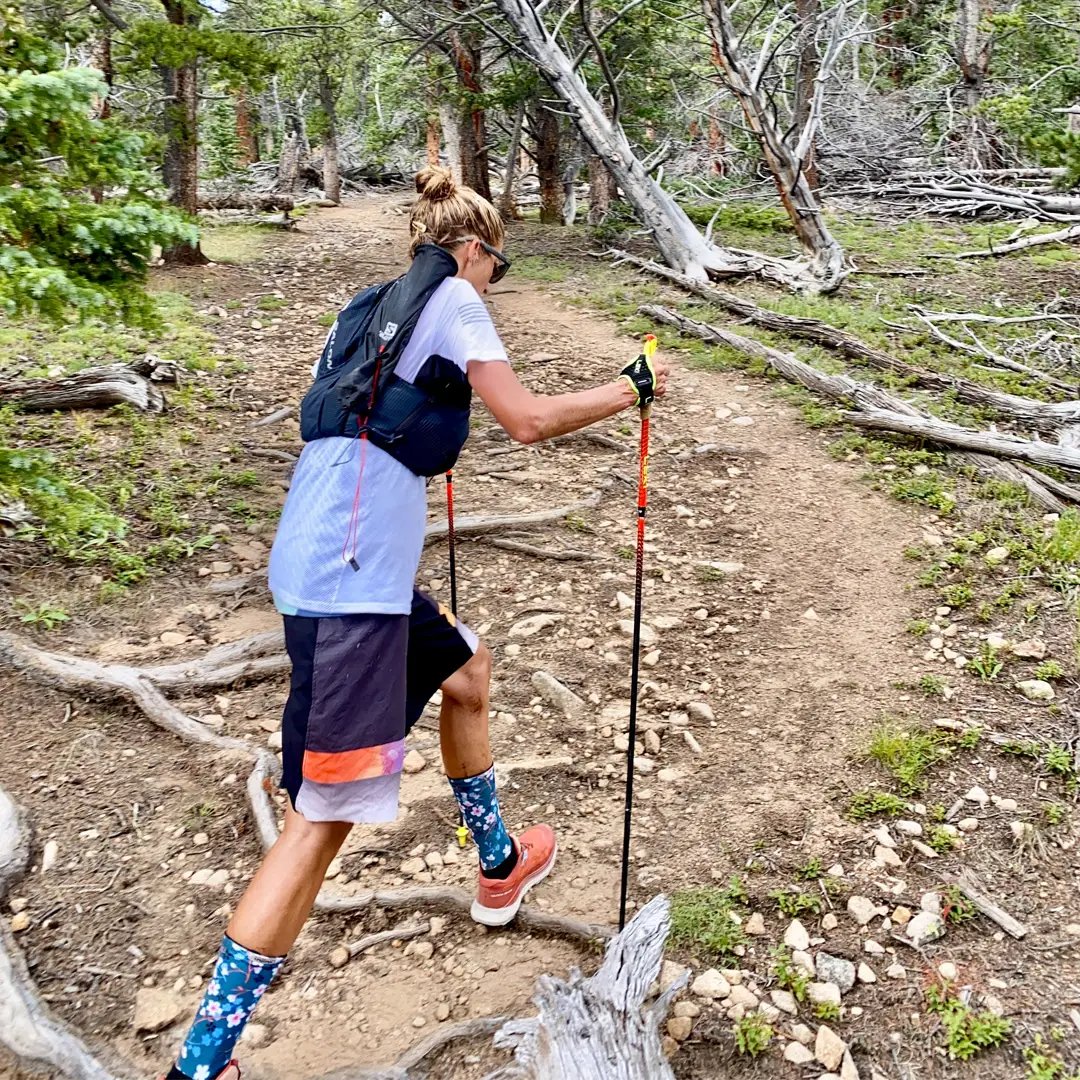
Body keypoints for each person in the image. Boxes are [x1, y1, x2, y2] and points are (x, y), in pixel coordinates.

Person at [160, 165, 668, 1080]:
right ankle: (202, 1062)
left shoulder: (363, 310)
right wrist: (628, 389)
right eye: (497, 268)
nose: (492, 288)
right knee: (320, 816)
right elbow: (527, 419)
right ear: (472, 249)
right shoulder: (455, 298)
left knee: (466, 668)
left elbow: (374, 425)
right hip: (350, 586)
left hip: (335, 564)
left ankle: (501, 864)